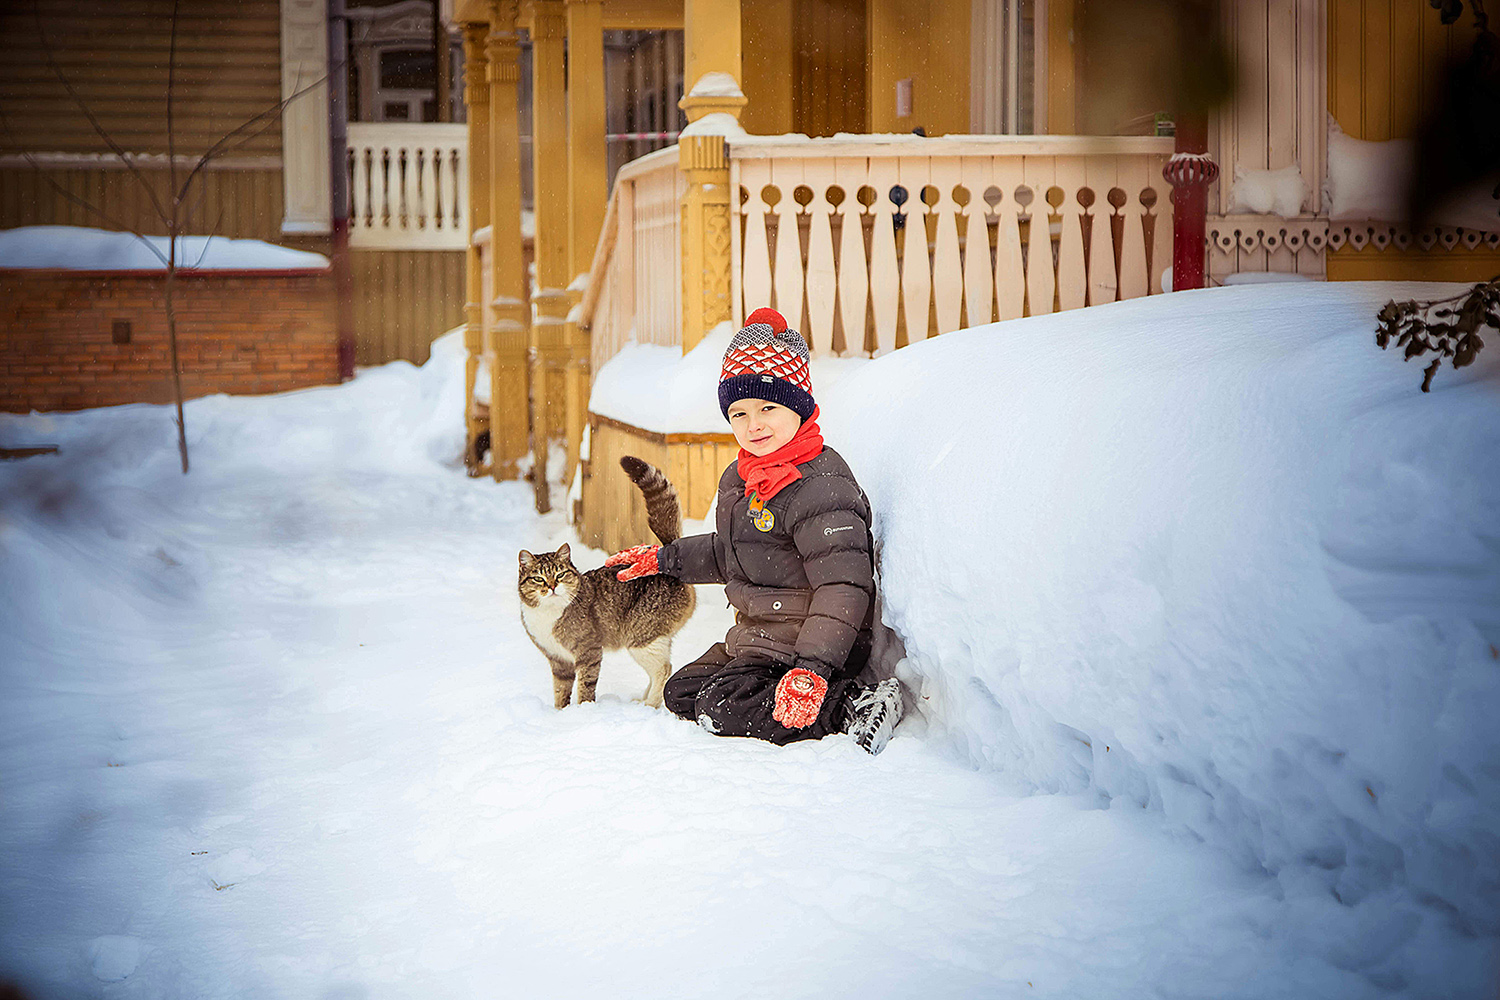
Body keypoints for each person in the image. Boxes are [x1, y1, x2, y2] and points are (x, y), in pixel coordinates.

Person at [605, 307, 904, 754]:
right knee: (683, 691)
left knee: (723, 705)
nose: (753, 424)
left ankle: (852, 704)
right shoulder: (741, 477)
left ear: (799, 408)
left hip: (810, 643)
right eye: (739, 412)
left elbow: (844, 585)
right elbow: (732, 553)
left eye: (768, 407)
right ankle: (779, 693)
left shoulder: (820, 484)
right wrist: (664, 561)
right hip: (763, 637)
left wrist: (813, 668)